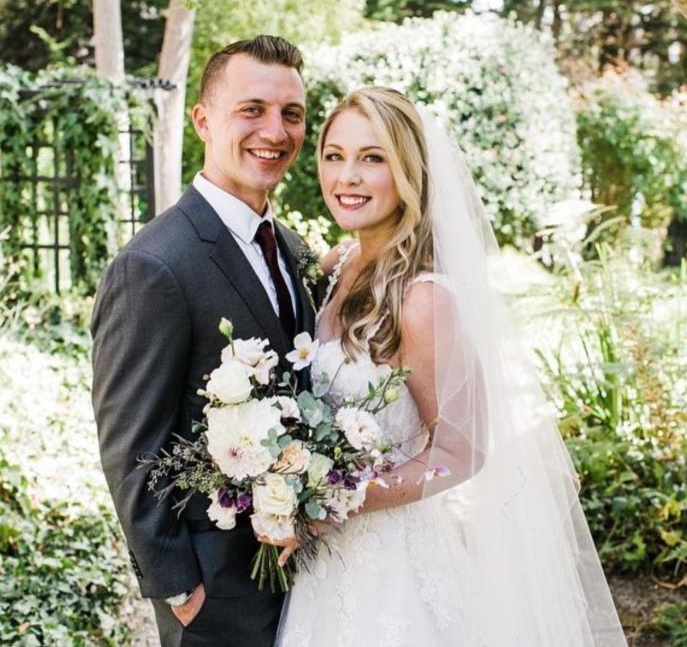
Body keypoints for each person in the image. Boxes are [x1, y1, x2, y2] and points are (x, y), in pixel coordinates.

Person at [269, 88, 627, 646]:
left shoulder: (423, 297)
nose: (348, 177)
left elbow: (461, 452)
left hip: (393, 573)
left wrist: (343, 498)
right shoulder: (335, 266)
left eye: (373, 157)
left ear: (407, 169)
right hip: (323, 570)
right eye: (334, 155)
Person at [90, 36, 316, 646]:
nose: (275, 130)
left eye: (291, 114)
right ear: (203, 121)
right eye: (252, 109)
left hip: (309, 578)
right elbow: (129, 445)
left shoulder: (293, 250)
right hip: (216, 596)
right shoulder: (153, 265)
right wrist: (180, 590)